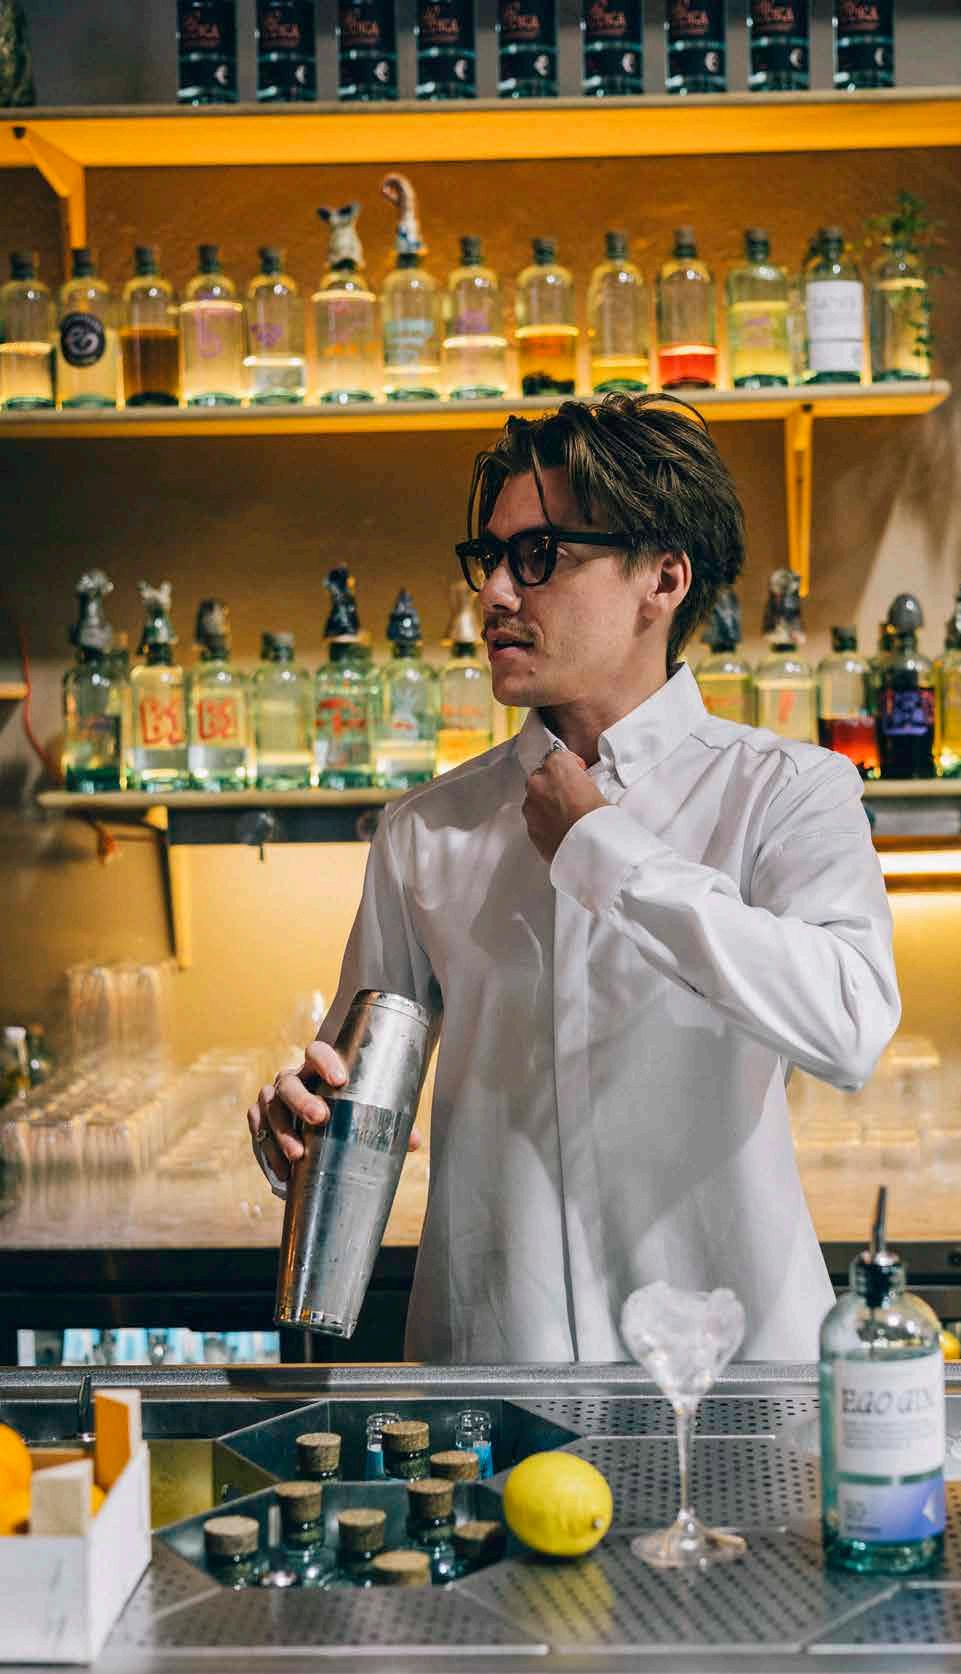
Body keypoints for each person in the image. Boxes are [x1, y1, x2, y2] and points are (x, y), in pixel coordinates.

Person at [248, 393, 900, 1364]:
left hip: (732, 1379)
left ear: (663, 578)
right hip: (493, 1378)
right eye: (489, 557)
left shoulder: (789, 791)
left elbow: (849, 1023)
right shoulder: (425, 830)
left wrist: (604, 850)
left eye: (539, 556)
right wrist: (296, 1130)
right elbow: (357, 1102)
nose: (494, 593)